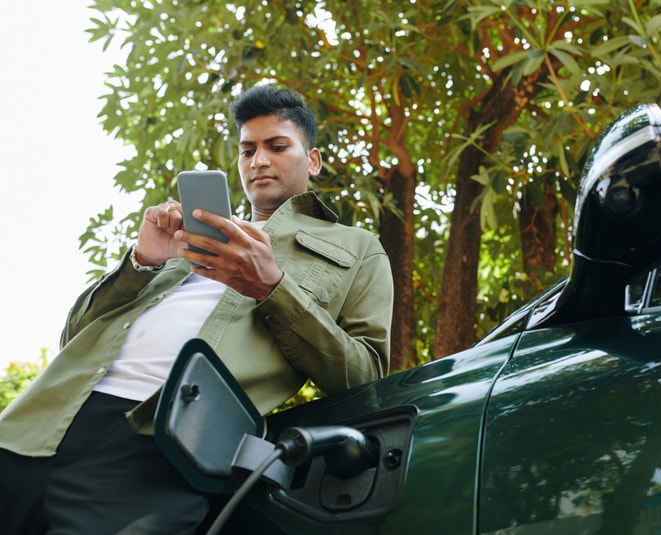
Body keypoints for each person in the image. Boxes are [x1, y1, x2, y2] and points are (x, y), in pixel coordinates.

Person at [0, 84, 393, 534]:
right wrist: (143, 261)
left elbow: (365, 377)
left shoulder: (358, 248)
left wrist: (272, 288)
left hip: (161, 445)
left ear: (313, 160)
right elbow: (74, 336)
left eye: (277, 146)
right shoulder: (196, 230)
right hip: (40, 423)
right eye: (247, 150)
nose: (259, 161)